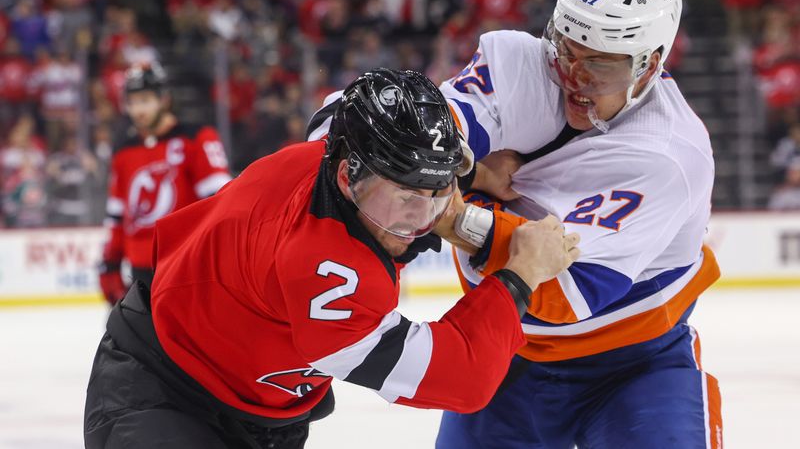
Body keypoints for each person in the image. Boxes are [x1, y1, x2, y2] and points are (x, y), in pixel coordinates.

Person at [84, 68, 580, 449]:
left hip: (264, 408)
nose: (417, 221)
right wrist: (519, 275)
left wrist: (464, 180)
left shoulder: (342, 141)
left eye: (434, 194)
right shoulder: (329, 272)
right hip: (163, 391)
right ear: (349, 177)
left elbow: (338, 104)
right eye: (402, 197)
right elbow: (464, 376)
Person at [434, 0, 724, 448]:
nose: (574, 78)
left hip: (633, 369)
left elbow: (556, 293)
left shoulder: (666, 155)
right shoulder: (520, 65)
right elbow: (412, 146)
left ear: (649, 65)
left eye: (598, 65)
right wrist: (472, 171)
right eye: (566, 51)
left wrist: (452, 206)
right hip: (507, 356)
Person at [97, 62, 232, 304]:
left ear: (164, 99)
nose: (138, 110)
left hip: (185, 271)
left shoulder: (197, 138)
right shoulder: (124, 151)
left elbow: (221, 204)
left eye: (146, 100)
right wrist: (110, 262)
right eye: (133, 102)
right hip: (139, 274)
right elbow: (117, 216)